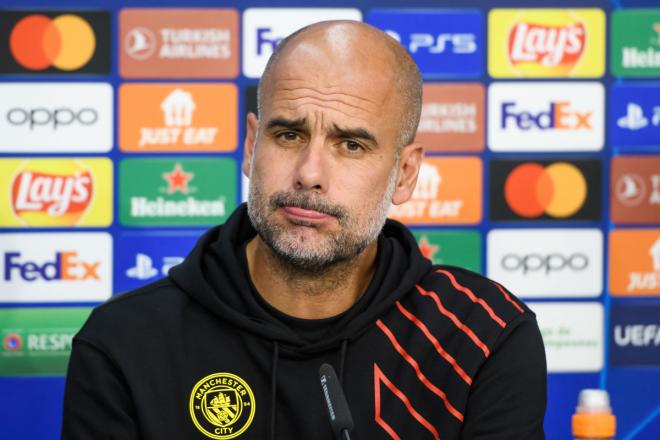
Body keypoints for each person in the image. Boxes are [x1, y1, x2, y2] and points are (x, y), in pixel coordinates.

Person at [62, 21, 546, 439]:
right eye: (288, 134)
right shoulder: (125, 343)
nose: (309, 172)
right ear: (252, 145)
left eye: (351, 145)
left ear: (404, 174)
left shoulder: (483, 336)